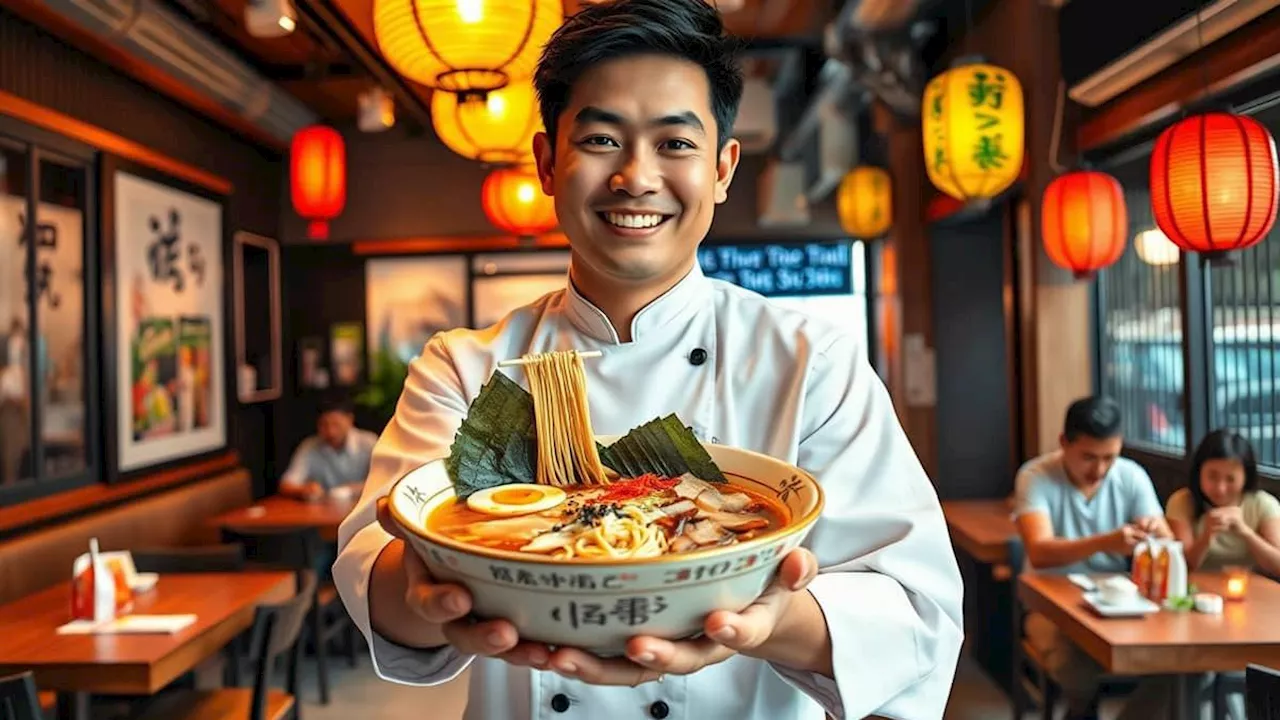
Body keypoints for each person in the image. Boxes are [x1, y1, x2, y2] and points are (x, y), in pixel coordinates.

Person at [331, 1, 964, 718]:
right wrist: (429, 594)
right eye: (601, 139)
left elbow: (917, 612)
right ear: (547, 161)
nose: (636, 176)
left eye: (674, 144)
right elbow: (372, 566)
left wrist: (773, 622)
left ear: (723, 168)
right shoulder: (466, 367)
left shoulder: (812, 362)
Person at [1013, 395, 1172, 720]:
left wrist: (1155, 532)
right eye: (1088, 457)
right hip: (1048, 605)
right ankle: (1081, 711)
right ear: (1063, 443)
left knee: (1178, 665)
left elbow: (1168, 543)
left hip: (1118, 603)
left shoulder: (1130, 476)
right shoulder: (1036, 475)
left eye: (1109, 457)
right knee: (1075, 662)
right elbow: (1039, 552)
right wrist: (1106, 542)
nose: (1099, 469)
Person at [1166, 428, 1280, 575]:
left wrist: (1245, 532)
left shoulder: (1263, 504)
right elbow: (1182, 565)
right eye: (1212, 477)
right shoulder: (1182, 502)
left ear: (1246, 476)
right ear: (1199, 471)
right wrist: (1206, 536)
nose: (1220, 488)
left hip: (1248, 590)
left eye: (1230, 479)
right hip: (1196, 591)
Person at [279, 396, 377, 502]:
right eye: (324, 425)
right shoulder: (310, 445)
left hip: (361, 506)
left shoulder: (368, 443)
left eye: (336, 424)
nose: (331, 432)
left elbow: (382, 481)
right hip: (322, 511)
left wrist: (351, 489)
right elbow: (286, 484)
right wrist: (304, 489)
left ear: (350, 419)